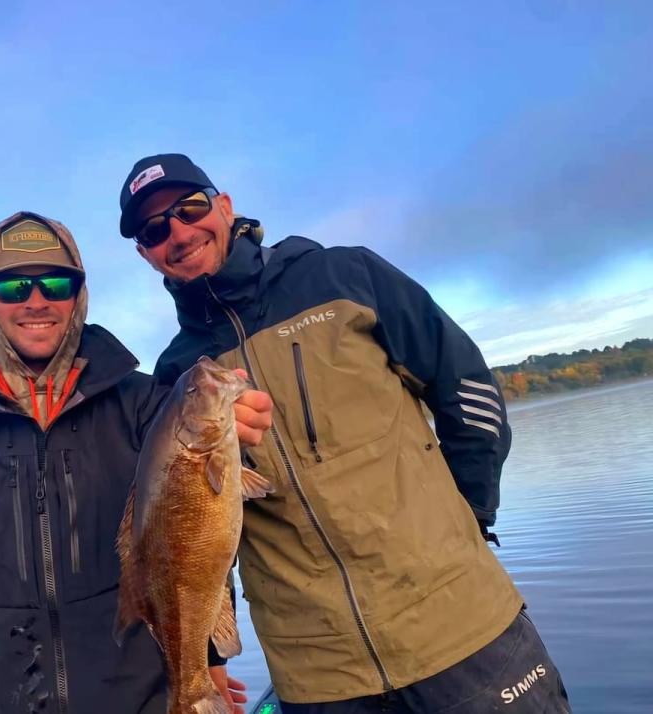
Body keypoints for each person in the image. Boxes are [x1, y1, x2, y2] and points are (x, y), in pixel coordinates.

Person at [117, 154, 572, 713]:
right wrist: (208, 654)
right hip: (319, 679)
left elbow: (469, 392)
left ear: (225, 206)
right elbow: (187, 539)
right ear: (145, 253)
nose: (179, 232)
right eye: (155, 229)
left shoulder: (344, 277)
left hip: (462, 629)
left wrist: (469, 518)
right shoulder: (174, 375)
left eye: (190, 208)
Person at [0, 211, 270, 713]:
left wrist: (208, 664)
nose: (36, 300)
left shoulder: (147, 407)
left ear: (78, 294)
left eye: (56, 283)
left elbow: (187, 540)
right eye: (13, 287)